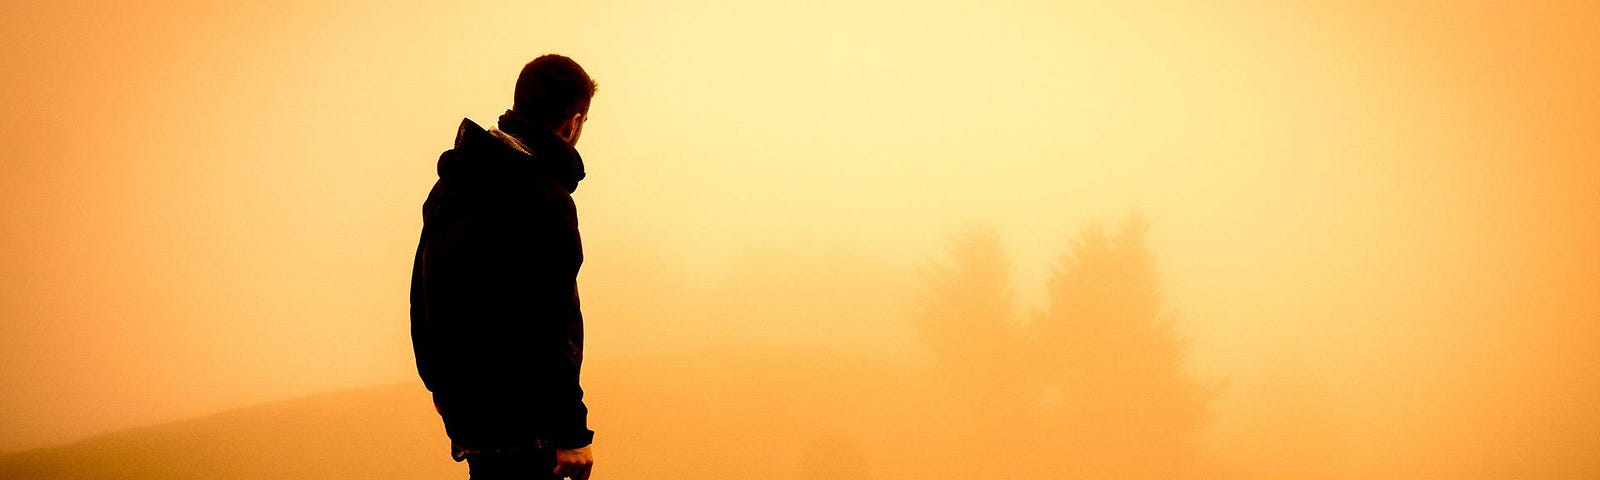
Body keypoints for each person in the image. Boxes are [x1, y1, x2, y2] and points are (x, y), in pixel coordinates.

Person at [409, 54, 598, 480]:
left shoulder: (453, 184)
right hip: (529, 430)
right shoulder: (546, 201)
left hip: (472, 421)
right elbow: (548, 322)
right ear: (573, 123)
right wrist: (572, 430)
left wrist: (438, 385)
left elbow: (423, 289)